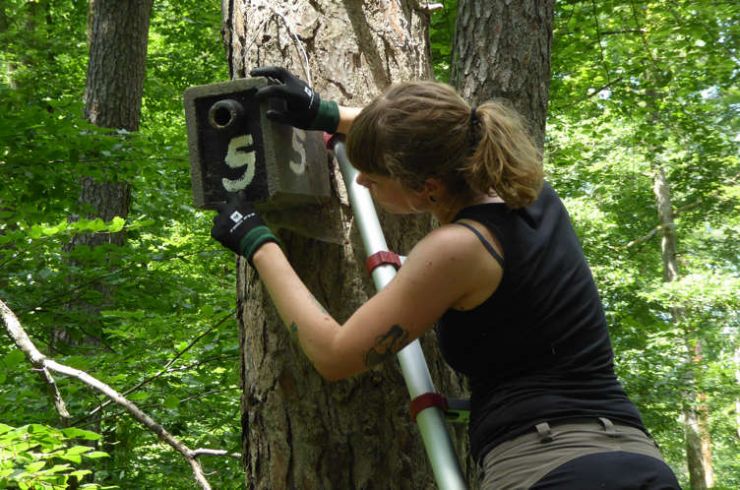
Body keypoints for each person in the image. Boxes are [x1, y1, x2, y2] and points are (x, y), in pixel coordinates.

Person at [211, 66, 681, 489]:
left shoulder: (457, 249)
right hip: (638, 459)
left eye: (373, 174)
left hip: (546, 467)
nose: (361, 183)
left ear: (427, 188)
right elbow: (440, 136)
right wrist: (325, 112)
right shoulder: (531, 193)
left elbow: (336, 355)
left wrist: (257, 242)